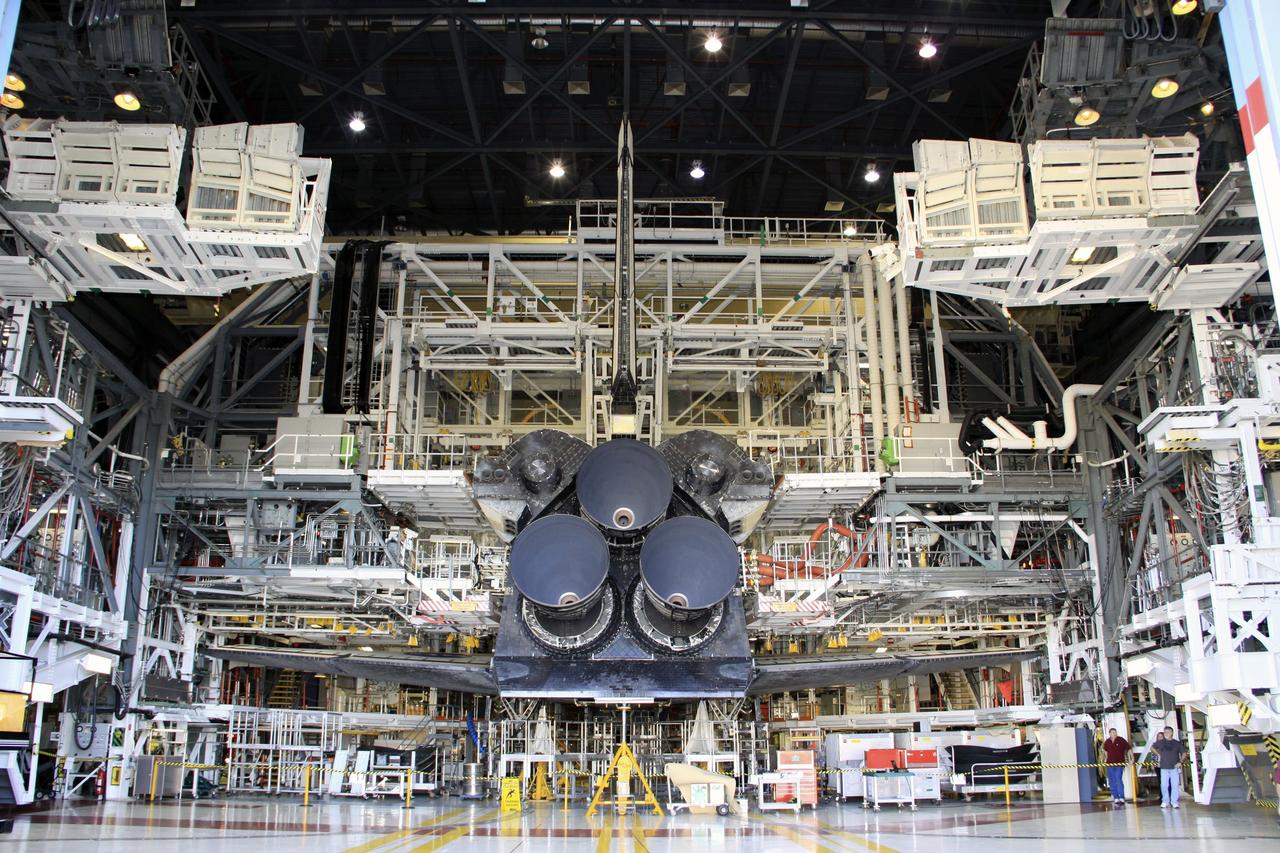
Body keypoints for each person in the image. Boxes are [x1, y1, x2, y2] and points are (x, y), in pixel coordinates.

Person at [1151, 726, 1184, 809]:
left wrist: (1180, 762)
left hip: (1174, 768)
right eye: (1165, 732)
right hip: (1164, 768)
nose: (1166, 733)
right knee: (1164, 785)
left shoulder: (1176, 743)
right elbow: (1152, 747)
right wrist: (1158, 754)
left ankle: (1174, 802)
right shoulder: (1161, 742)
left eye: (1168, 732)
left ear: (1172, 733)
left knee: (1175, 785)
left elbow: (1184, 753)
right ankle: (1165, 801)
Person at [1102, 728, 1131, 805]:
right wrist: (1105, 760)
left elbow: (1129, 748)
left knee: (1118, 779)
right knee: (1112, 781)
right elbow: (1105, 752)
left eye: (1114, 732)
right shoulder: (1107, 742)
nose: (1113, 734)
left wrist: (1131, 758)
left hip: (1119, 764)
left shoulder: (1121, 740)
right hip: (1110, 764)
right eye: (1112, 732)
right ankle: (1116, 797)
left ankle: (1121, 797)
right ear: (1109, 733)